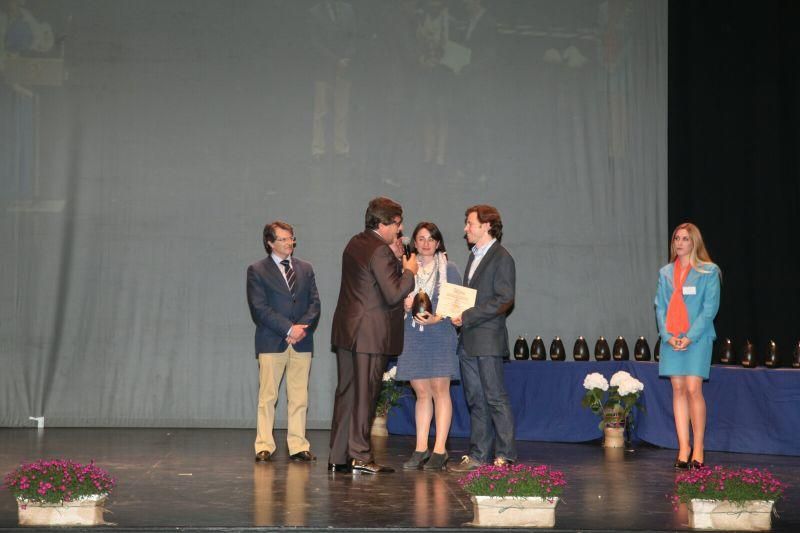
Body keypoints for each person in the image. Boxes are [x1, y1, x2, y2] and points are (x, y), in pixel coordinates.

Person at [329, 197, 418, 474]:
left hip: (348, 331)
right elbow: (393, 293)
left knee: (347, 393)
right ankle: (360, 456)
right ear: (382, 223)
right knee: (365, 395)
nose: (400, 229)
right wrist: (409, 271)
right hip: (369, 334)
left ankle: (338, 455)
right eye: (397, 224)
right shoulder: (380, 250)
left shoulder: (355, 243)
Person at [449, 205, 516, 472]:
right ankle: (479, 455)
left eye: (470, 223)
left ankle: (505, 456)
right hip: (469, 339)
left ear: (487, 225)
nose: (466, 228)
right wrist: (458, 314)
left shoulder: (502, 257)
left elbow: (504, 299)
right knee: (475, 398)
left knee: (495, 398)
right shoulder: (474, 256)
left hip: (487, 339)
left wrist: (468, 315)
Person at [246, 221, 321, 463]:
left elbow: (314, 305)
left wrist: (300, 330)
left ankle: (298, 445)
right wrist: (288, 328)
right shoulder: (257, 270)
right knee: (268, 396)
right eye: (283, 239)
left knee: (300, 397)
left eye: (291, 239)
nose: (289, 243)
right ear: (270, 242)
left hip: (302, 341)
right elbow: (259, 308)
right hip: (271, 341)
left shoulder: (306, 268)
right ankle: (264, 445)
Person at [395, 222, 461, 471]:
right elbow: (396, 294)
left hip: (440, 334)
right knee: (421, 392)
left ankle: (440, 450)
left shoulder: (449, 268)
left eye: (431, 238)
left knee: (439, 389)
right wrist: (403, 305)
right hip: (413, 335)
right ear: (414, 242)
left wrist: (437, 317)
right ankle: (420, 448)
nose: (425, 243)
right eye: (421, 238)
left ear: (438, 242)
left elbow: (457, 302)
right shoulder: (407, 268)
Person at [654, 222, 720, 470]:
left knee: (693, 388)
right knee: (678, 388)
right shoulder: (665, 273)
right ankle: (684, 448)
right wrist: (667, 334)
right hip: (672, 338)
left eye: (685, 239)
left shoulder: (708, 272)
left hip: (698, 338)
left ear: (694, 243)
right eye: (676, 239)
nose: (679, 243)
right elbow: (659, 306)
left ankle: (699, 447)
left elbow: (709, 309)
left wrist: (690, 336)